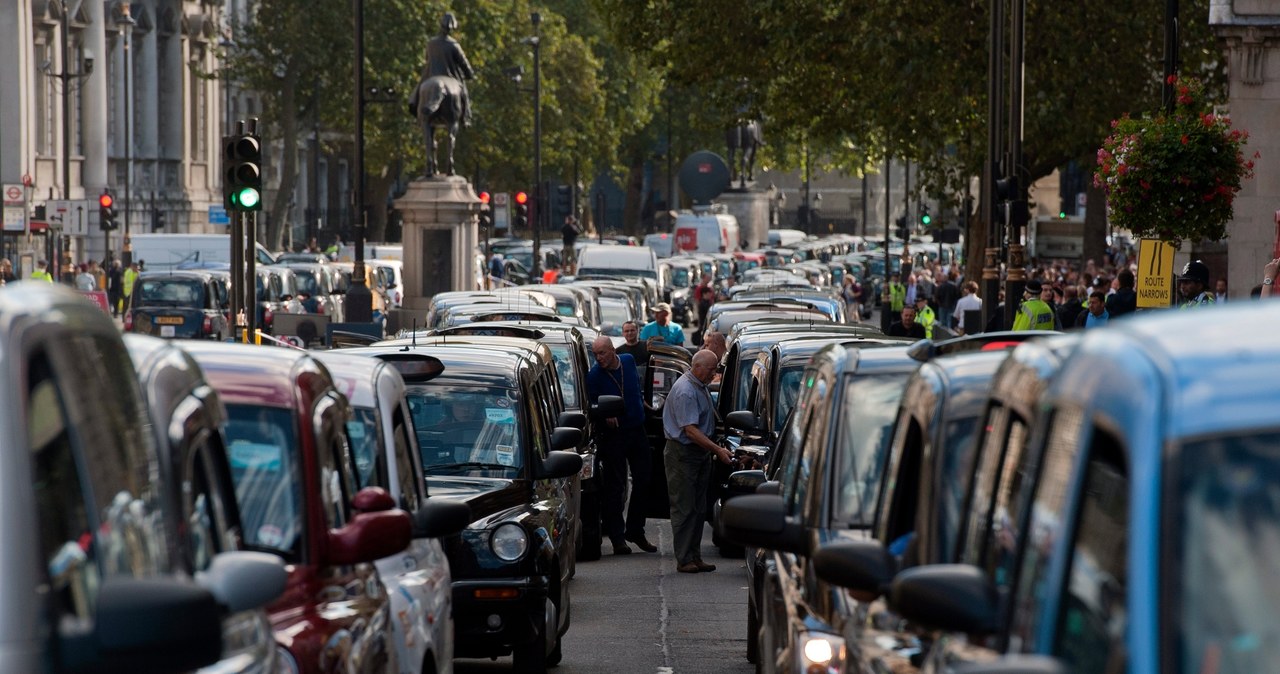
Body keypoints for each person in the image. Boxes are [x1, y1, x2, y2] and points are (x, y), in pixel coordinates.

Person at [661, 350, 732, 573]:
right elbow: (690, 431)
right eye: (712, 369)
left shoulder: (698, 384)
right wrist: (717, 450)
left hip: (698, 453)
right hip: (684, 453)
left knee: (698, 508)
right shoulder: (685, 391)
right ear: (698, 366)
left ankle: (694, 555)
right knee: (684, 507)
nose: (714, 374)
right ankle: (684, 559)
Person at [587, 336, 654, 555]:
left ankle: (636, 530)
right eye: (596, 354)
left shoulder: (627, 361)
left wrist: (644, 402)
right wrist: (603, 415)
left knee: (644, 479)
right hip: (614, 436)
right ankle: (617, 538)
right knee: (615, 486)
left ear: (612, 351)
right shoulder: (594, 376)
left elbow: (634, 386)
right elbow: (592, 405)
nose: (599, 358)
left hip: (637, 429)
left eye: (602, 353)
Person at [417, 13, 474, 126]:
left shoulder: (431, 43)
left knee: (418, 92)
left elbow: (427, 59)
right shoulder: (454, 45)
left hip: (431, 76)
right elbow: (464, 64)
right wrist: (469, 74)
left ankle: (417, 115)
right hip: (450, 77)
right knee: (464, 94)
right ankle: (466, 117)